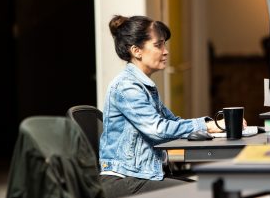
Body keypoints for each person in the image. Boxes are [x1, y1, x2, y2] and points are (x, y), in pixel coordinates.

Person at [99, 15, 244, 197]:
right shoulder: (126, 86)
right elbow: (158, 129)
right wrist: (207, 125)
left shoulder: (144, 86)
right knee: (206, 191)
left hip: (142, 176)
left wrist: (214, 127)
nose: (166, 51)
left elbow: (172, 122)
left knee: (213, 188)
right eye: (158, 45)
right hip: (125, 181)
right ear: (137, 51)